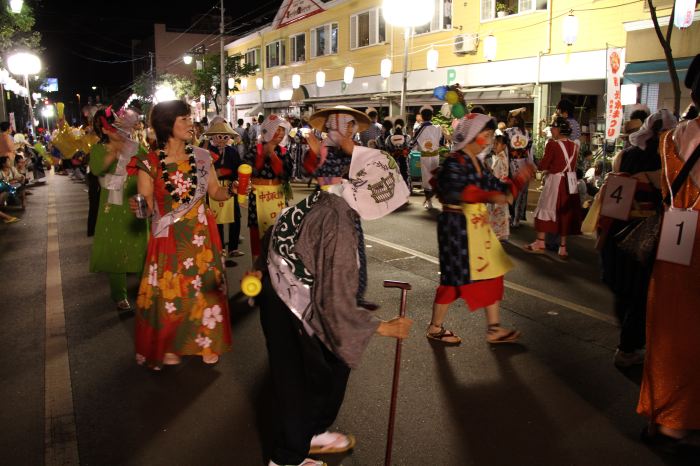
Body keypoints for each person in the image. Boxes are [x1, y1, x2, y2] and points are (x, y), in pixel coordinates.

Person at [256, 140, 412, 466]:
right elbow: (334, 300)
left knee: (321, 370)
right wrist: (381, 328)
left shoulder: (328, 196)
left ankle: (310, 434)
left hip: (279, 285)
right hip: (292, 301)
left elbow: (275, 231)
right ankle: (286, 458)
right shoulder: (339, 220)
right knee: (305, 377)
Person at [130, 100, 233, 369]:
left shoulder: (201, 157)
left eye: (191, 119)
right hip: (169, 237)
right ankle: (171, 343)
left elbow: (215, 193)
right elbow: (147, 206)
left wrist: (232, 189)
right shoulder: (149, 162)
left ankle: (205, 342)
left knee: (204, 293)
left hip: (201, 237)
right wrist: (139, 207)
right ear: (167, 125)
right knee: (171, 293)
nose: (191, 124)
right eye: (184, 119)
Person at [637, 54, 700, 450]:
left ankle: (666, 417)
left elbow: (665, 187)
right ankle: (683, 419)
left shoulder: (670, 138)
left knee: (669, 328)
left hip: (677, 238)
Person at [426, 114, 533, 345]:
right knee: (454, 279)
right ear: (473, 135)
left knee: (492, 272)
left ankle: (494, 329)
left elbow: (495, 185)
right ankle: (435, 328)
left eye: (489, 135)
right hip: (456, 226)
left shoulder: (477, 162)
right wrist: (488, 195)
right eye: (485, 134)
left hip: (476, 226)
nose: (488, 139)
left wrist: (516, 182)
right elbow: (452, 192)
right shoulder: (455, 161)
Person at [596, 110, 676, 367]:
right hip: (651, 232)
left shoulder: (626, 155)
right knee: (643, 292)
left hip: (618, 230)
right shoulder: (670, 160)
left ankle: (627, 338)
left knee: (623, 287)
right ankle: (628, 347)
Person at [89, 107, 149, 311]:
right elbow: (97, 168)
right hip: (112, 208)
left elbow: (150, 165)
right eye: (114, 127)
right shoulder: (99, 150)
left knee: (141, 247)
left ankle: (146, 290)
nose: (120, 130)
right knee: (116, 251)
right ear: (105, 131)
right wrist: (117, 151)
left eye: (120, 126)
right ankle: (119, 295)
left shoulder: (136, 147)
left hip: (136, 201)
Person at [524, 117, 582, 260]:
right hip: (569, 182)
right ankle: (562, 247)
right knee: (564, 213)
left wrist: (539, 167)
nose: (551, 130)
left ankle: (540, 242)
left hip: (555, 181)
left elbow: (543, 165)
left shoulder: (552, 145)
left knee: (545, 208)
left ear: (559, 129)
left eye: (553, 128)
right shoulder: (575, 146)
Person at [244, 114, 293, 258]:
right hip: (258, 197)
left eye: (282, 130)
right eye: (276, 129)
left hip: (278, 196)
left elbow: (286, 175)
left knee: (279, 230)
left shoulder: (284, 152)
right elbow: (247, 170)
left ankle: (277, 271)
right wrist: (262, 156)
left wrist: (273, 155)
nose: (280, 133)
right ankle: (257, 269)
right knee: (257, 231)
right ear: (268, 130)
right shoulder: (254, 150)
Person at [204, 119, 245, 261]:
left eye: (225, 136)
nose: (222, 139)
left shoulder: (232, 151)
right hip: (212, 188)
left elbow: (239, 168)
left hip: (229, 186)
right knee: (216, 219)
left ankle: (233, 248)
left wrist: (232, 175)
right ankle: (219, 247)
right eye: (218, 136)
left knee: (235, 217)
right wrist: (217, 172)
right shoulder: (205, 150)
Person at [410, 105, 444, 209]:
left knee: (426, 179)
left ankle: (429, 202)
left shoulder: (419, 129)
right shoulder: (438, 128)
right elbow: (442, 143)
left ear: (422, 117)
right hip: (435, 156)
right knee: (434, 177)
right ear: (432, 116)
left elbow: (413, 145)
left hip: (424, 157)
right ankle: (435, 200)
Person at [504, 108, 533, 228]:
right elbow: (530, 152)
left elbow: (505, 150)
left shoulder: (507, 132)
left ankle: (509, 217)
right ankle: (517, 218)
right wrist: (531, 166)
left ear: (513, 119)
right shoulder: (527, 133)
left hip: (511, 164)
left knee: (511, 192)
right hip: (524, 165)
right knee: (521, 193)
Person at [489, 134, 510, 240]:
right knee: (500, 211)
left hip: (498, 187)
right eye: (494, 143)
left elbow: (496, 175)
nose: (494, 145)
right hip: (501, 187)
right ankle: (502, 233)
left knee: (497, 211)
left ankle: (499, 234)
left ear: (504, 146)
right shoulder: (500, 157)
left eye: (497, 144)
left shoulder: (500, 158)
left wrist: (489, 171)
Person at [384, 119, 411, 190]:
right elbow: (409, 148)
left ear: (394, 126)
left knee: (394, 176)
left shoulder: (389, 138)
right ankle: (405, 193)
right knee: (405, 176)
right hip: (404, 161)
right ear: (403, 127)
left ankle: (395, 194)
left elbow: (387, 149)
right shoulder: (407, 137)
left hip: (393, 161)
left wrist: (394, 152)